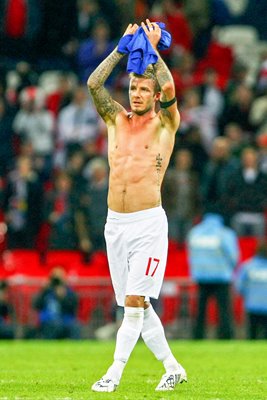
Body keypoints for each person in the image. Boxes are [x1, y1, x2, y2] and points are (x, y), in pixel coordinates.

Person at [87, 19, 187, 392]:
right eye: (132, 87)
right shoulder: (115, 119)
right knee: (138, 307)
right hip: (115, 224)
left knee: (133, 302)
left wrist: (153, 47)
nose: (137, 94)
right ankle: (172, 367)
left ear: (155, 95)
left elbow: (171, 86)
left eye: (144, 89)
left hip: (147, 225)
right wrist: (122, 47)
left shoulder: (165, 125)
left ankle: (113, 374)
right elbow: (94, 84)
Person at [187, 212, 239, 339]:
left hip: (201, 277)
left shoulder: (195, 232)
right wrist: (231, 270)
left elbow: (190, 254)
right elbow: (233, 255)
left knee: (200, 310)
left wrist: (196, 271)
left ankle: (197, 336)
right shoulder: (225, 233)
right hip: (222, 277)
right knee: (224, 310)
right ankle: (225, 336)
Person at [33, 267, 80, 339]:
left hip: (65, 321)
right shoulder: (46, 292)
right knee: (53, 327)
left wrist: (63, 297)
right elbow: (36, 305)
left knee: (76, 327)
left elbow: (73, 307)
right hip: (49, 321)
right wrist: (43, 291)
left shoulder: (69, 292)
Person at [235, 240, 267, 339]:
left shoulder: (247, 267)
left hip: (252, 307)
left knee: (252, 336)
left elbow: (239, 286)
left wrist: (249, 296)